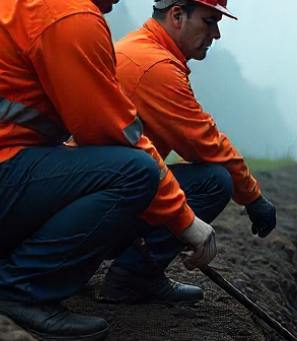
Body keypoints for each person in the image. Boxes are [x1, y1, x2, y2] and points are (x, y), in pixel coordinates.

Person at [0, 0, 216, 341]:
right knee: (134, 172)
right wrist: (184, 221)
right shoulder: (69, 13)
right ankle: (14, 294)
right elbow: (116, 135)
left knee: (87, 165)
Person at [98, 0, 277, 304]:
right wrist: (254, 198)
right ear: (177, 15)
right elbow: (206, 143)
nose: (216, 34)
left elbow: (192, 143)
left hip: (100, 194)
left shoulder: (139, 48)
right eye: (209, 21)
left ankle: (121, 267)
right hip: (106, 203)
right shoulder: (155, 68)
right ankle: (135, 277)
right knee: (214, 181)